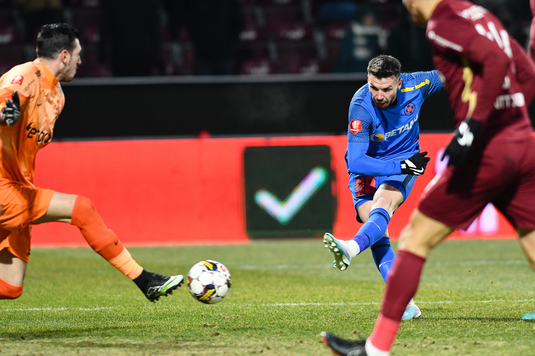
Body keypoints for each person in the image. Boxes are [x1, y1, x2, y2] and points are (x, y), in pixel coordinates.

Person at [321, 0, 535, 355]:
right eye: (374, 88)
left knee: (412, 237)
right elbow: (357, 161)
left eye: (408, 1)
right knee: (530, 237)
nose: (407, 8)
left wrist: (475, 125)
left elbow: (488, 65)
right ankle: (380, 276)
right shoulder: (480, 16)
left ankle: (376, 343)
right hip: (517, 143)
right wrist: (510, 115)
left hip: (470, 153)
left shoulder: (440, 27)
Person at [0, 23, 183, 302]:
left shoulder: (57, 96)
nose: (80, 61)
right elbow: (6, 101)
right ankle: (144, 280)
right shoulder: (24, 75)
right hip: (4, 189)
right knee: (82, 209)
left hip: (19, 186)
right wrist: (5, 113)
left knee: (11, 287)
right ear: (64, 55)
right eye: (78, 54)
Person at [323, 54, 442, 320]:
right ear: (368, 79)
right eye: (374, 87)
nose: (379, 95)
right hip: (372, 167)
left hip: (402, 161)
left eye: (386, 89)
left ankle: (351, 248)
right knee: (377, 231)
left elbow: (455, 75)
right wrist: (403, 166)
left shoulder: (418, 84)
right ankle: (407, 304)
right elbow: (356, 160)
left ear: (399, 83)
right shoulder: (361, 106)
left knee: (382, 204)